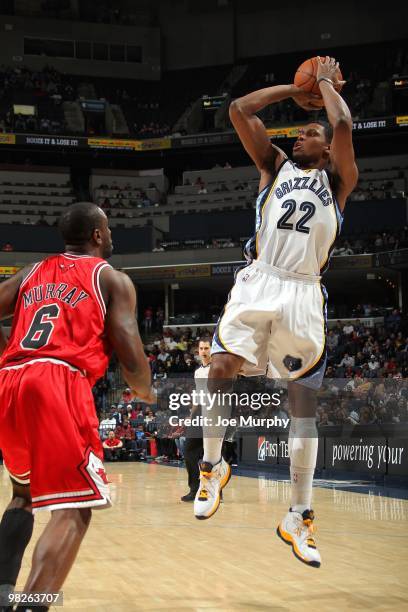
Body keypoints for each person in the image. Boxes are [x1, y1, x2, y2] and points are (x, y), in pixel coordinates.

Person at [195, 57, 358, 569]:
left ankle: (299, 515)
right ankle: (213, 465)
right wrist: (295, 88)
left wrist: (325, 85)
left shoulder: (339, 181)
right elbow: (239, 109)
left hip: (305, 296)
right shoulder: (273, 167)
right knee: (219, 367)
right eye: (298, 132)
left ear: (327, 149)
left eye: (310, 134)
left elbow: (345, 124)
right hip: (260, 279)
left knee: (301, 410)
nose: (299, 138)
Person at [0, 202, 154, 609]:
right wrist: (145, 390)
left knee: (23, 493)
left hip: (10, 380)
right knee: (75, 509)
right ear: (99, 235)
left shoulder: (30, 273)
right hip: (58, 379)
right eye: (109, 230)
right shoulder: (111, 278)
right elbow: (131, 353)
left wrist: (9, 352)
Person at [181, 337, 211, 502]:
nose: (204, 351)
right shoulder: (198, 371)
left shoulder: (218, 368)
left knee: (212, 454)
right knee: (189, 451)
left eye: (207, 348)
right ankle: (194, 489)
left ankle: (215, 490)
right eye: (202, 349)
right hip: (199, 412)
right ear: (198, 351)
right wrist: (192, 416)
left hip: (215, 411)